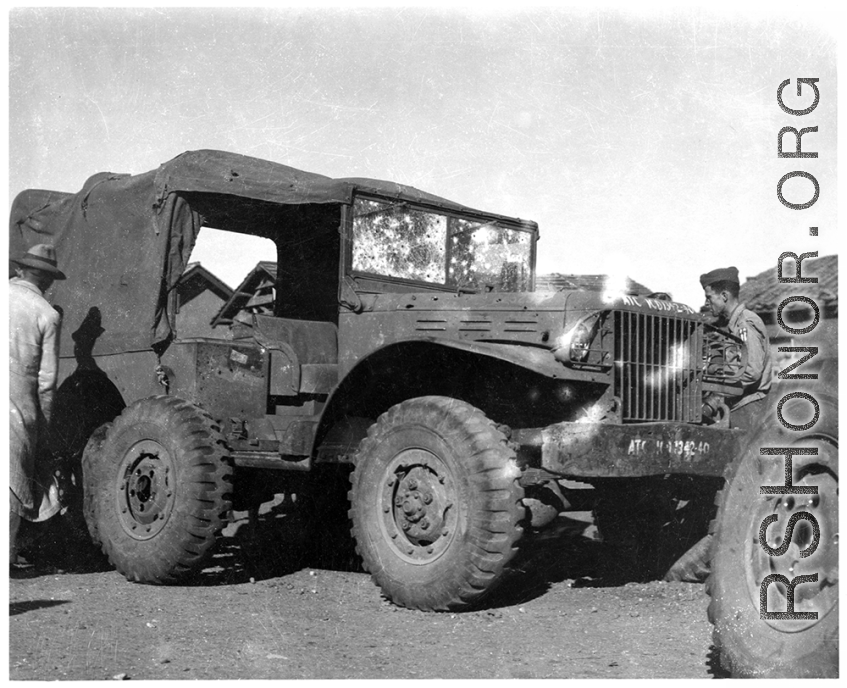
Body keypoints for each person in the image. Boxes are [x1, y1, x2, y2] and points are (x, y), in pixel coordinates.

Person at [9, 244, 66, 569]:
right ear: (47, 280)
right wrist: (43, 425)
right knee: (13, 482)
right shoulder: (47, 313)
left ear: (20, 270)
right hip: (17, 404)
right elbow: (46, 382)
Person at [700, 266, 773, 433]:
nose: (706, 303)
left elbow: (751, 371)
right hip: (738, 405)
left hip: (749, 408)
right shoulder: (730, 326)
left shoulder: (744, 324)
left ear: (724, 296)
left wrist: (719, 394)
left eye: (709, 297)